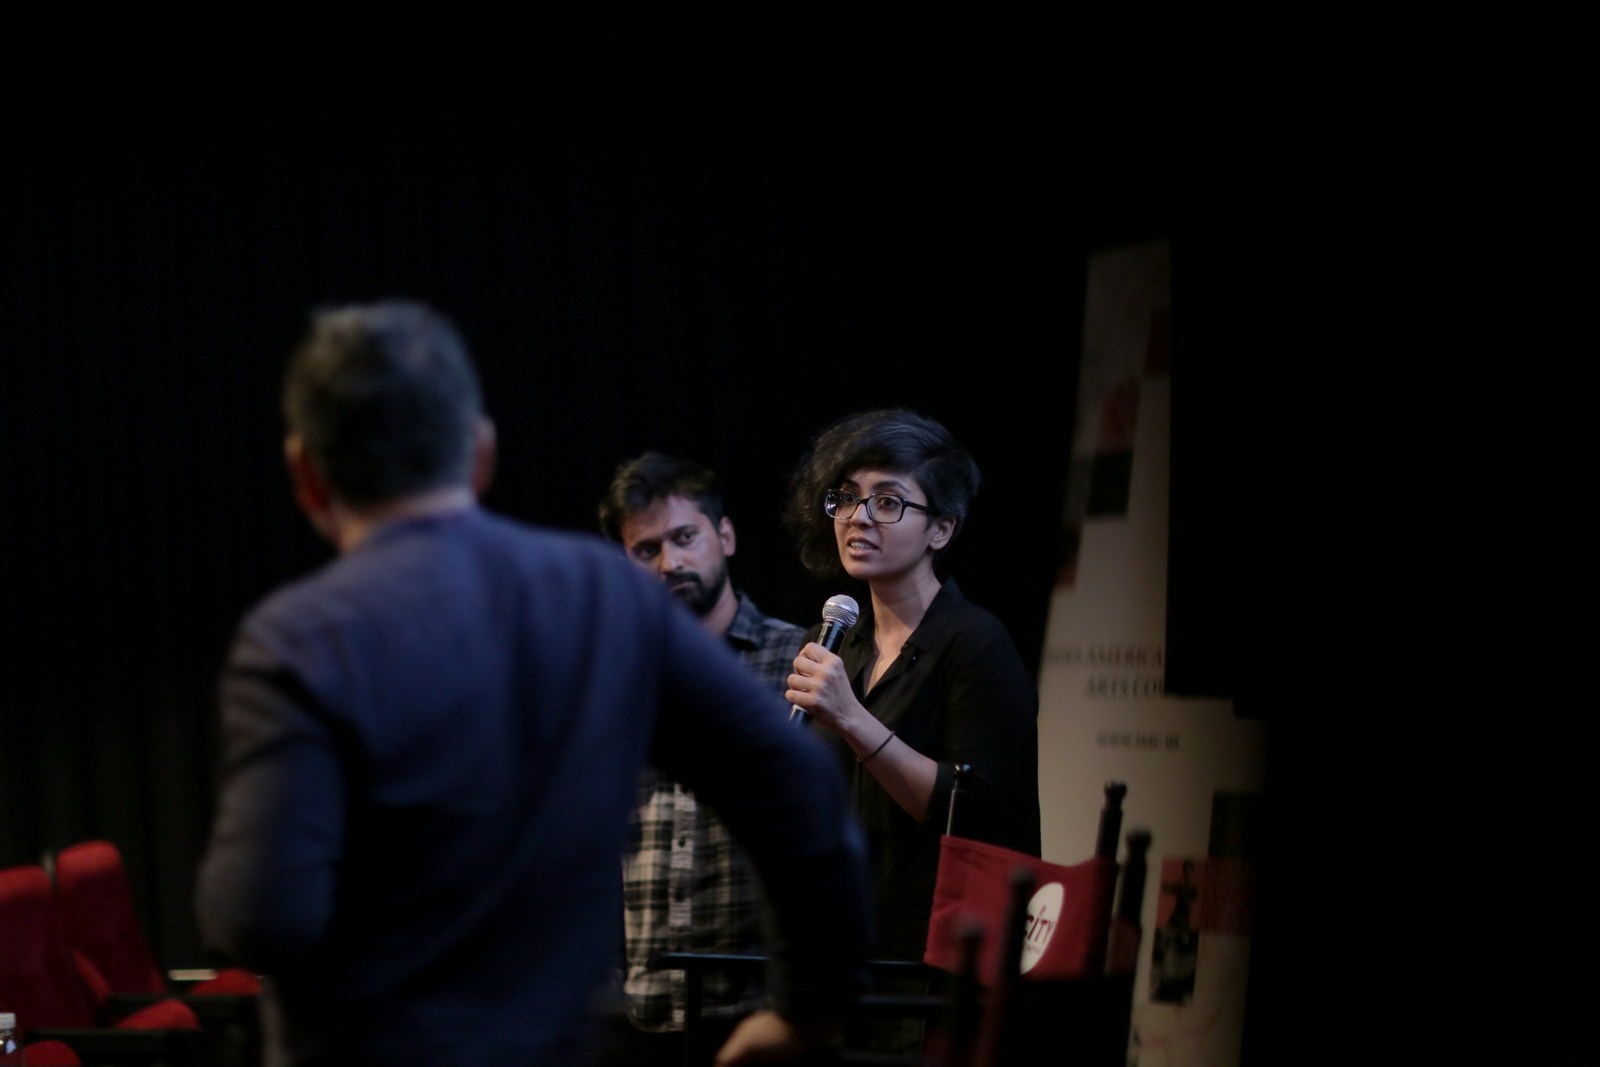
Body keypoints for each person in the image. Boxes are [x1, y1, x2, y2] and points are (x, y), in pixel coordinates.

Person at [194, 300, 872, 1067]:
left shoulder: (295, 638)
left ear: (304, 474)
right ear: (480, 450)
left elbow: (258, 915)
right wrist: (810, 1008)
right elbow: (793, 786)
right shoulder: (600, 597)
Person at [782, 408, 1041, 965]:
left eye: (888, 502)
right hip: (842, 945)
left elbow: (971, 813)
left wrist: (851, 716)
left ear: (940, 529)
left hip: (940, 958)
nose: (858, 518)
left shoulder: (976, 644)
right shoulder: (834, 641)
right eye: (847, 498)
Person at [595, 452, 807, 1066]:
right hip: (641, 1008)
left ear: (726, 536)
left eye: (685, 537)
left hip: (759, 1008)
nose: (670, 563)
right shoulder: (611, 677)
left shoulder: (802, 662)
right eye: (646, 550)